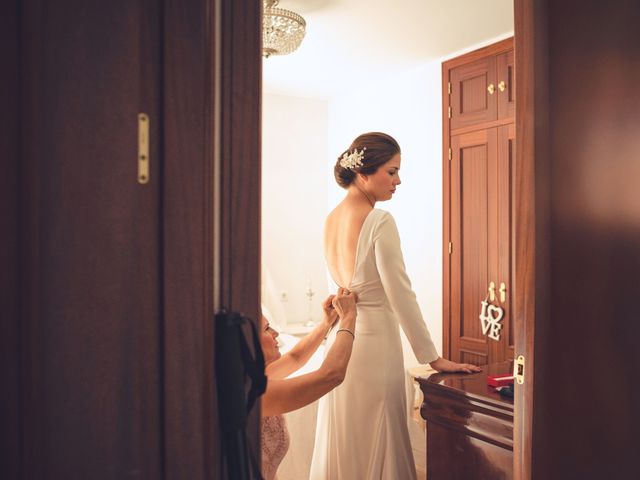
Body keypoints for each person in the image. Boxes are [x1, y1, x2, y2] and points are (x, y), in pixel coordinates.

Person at [310, 132, 481, 479]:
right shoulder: (379, 221)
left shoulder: (330, 219)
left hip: (341, 342)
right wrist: (432, 357)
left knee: (347, 431)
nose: (398, 180)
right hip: (374, 345)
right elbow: (400, 293)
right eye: (392, 171)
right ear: (364, 173)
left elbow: (342, 292)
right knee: (381, 427)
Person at [260, 288, 358, 480]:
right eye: (266, 328)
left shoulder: (257, 376)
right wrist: (348, 317)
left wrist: (327, 323)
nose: (275, 332)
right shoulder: (253, 393)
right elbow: (332, 375)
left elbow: (295, 358)